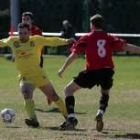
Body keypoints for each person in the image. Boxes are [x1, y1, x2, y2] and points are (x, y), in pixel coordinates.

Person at [58, 14, 140, 131]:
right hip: (107, 72)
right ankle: (100, 112)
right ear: (102, 25)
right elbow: (127, 46)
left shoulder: (86, 38)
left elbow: (74, 55)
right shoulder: (109, 37)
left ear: (91, 25)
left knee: (68, 90)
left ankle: (71, 118)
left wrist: (62, 69)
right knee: (105, 93)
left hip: (92, 72)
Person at [0, 22, 75, 127]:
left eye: (25, 33)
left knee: (53, 96)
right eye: (20, 33)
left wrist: (65, 41)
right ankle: (33, 119)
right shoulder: (13, 41)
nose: (22, 36)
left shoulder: (36, 40)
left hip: (39, 74)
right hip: (25, 75)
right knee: (26, 93)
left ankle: (69, 118)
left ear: (29, 32)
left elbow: (51, 41)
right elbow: (1, 42)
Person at [22, 11, 51, 105]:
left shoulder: (37, 31)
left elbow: (41, 44)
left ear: (31, 21)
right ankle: (47, 95)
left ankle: (48, 94)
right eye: (23, 19)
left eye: (27, 19)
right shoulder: (21, 30)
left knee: (35, 79)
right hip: (25, 60)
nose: (25, 21)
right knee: (31, 79)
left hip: (37, 59)